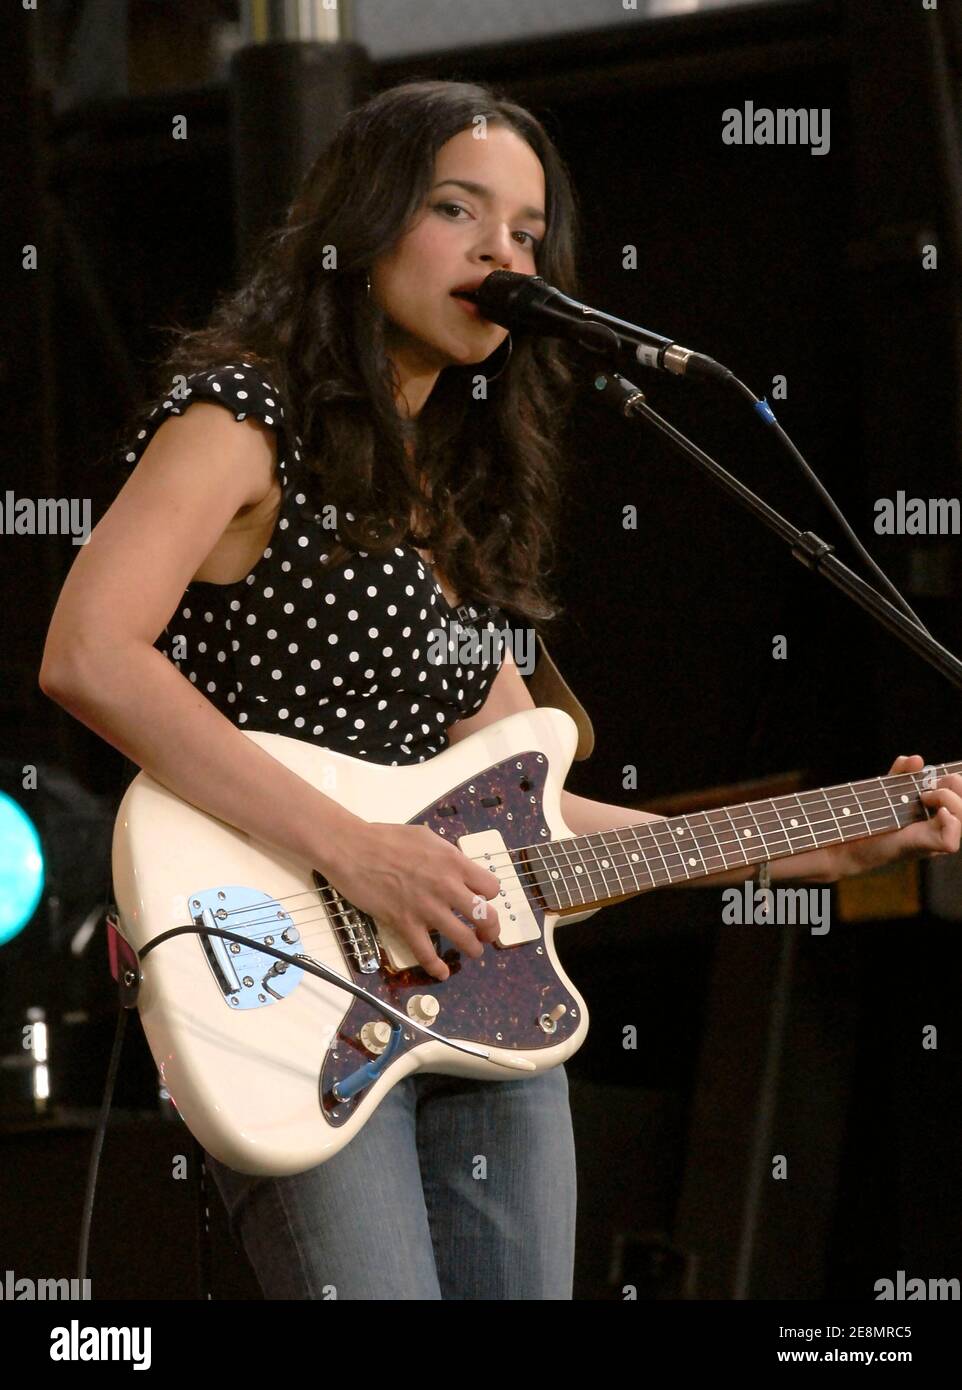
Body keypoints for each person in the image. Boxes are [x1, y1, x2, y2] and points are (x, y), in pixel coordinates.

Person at [40, 80, 962, 1301]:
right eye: (456, 210)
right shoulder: (242, 415)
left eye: (527, 235)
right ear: (363, 222)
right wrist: (358, 852)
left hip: (480, 987)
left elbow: (522, 817)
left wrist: (816, 849)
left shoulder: (461, 500)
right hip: (289, 969)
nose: (500, 253)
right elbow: (89, 653)